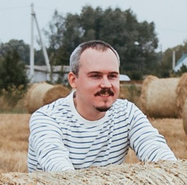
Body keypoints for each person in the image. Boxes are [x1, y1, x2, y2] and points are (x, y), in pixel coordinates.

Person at [26, 39, 178, 173]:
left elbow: (158, 153)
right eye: (95, 76)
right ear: (73, 80)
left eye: (112, 76)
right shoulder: (47, 119)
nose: (106, 84)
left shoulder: (127, 113)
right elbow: (60, 172)